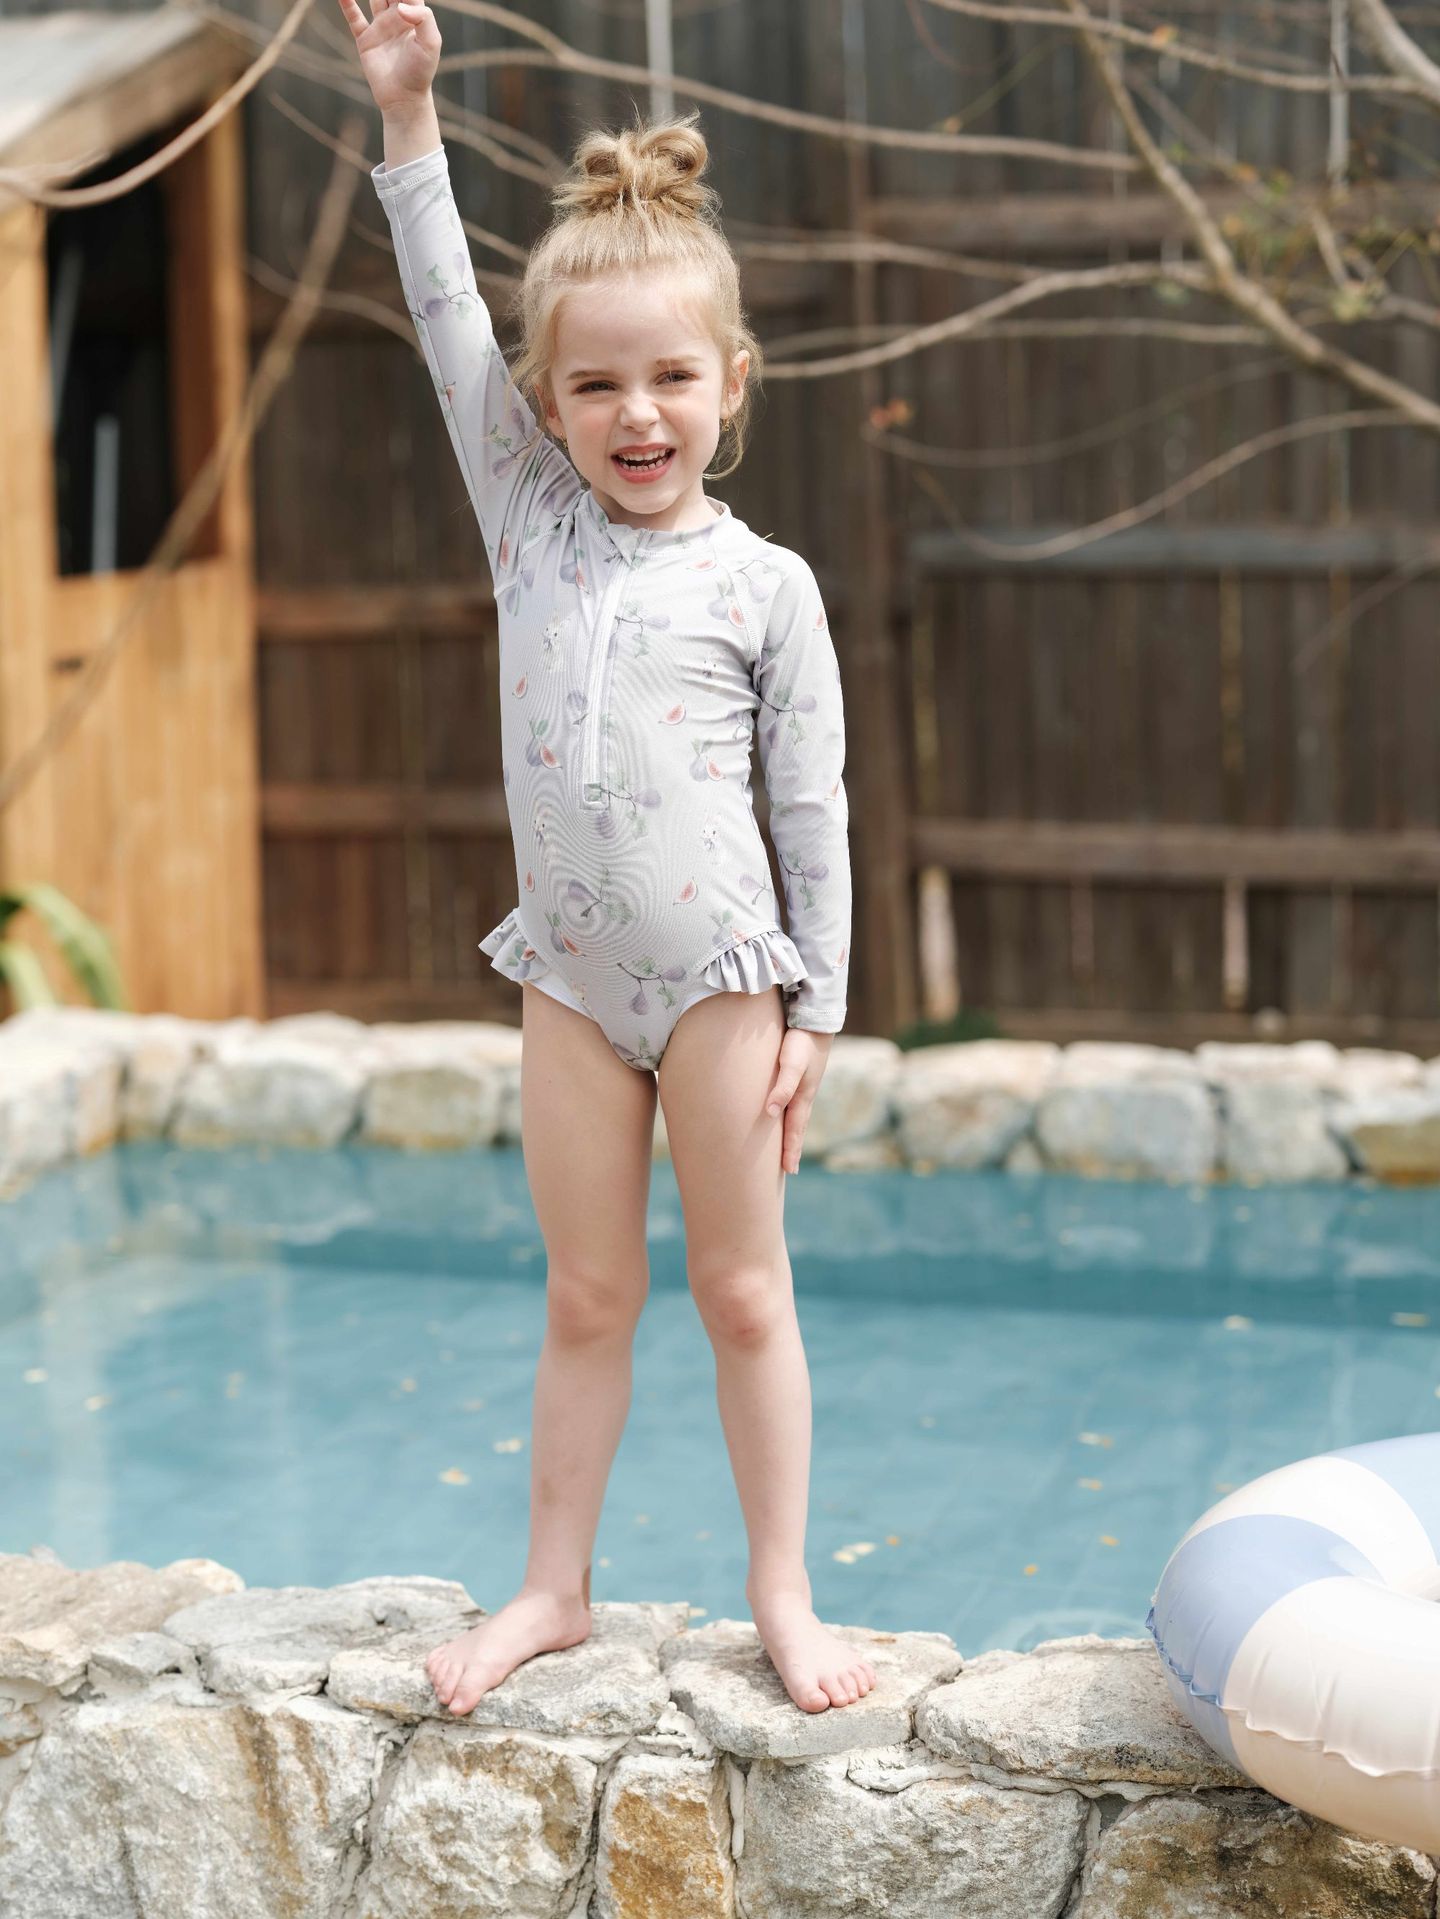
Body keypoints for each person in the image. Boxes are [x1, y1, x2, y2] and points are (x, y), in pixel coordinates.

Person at [339, 0, 874, 1717]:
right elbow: (443, 314)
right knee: (586, 1293)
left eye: (670, 378)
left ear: (730, 385)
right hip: (570, 981)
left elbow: (812, 806)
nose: (636, 412)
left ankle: (782, 1590)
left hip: (720, 984)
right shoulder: (529, 522)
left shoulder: (766, 586)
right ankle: (550, 1589)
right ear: (548, 404)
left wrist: (817, 1010)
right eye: (594, 384)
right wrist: (409, 120)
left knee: (742, 1293)